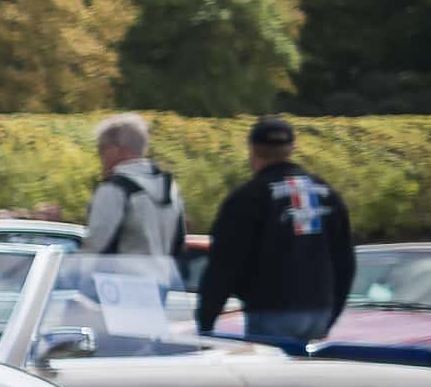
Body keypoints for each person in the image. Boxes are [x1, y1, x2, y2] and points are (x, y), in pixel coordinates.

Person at [194, 117, 353, 351]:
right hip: (319, 309)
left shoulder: (248, 197)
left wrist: (205, 321)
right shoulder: (327, 194)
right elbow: (345, 260)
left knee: (272, 382)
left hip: (271, 309)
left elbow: (224, 264)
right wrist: (332, 310)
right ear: (292, 148)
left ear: (252, 149)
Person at [79, 113, 184, 259]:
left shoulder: (113, 189)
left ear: (118, 149)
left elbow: (95, 247)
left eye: (101, 149)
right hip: (165, 279)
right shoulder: (170, 187)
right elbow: (178, 244)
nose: (100, 156)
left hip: (121, 279)